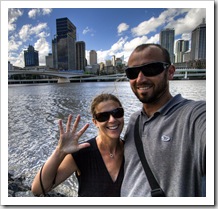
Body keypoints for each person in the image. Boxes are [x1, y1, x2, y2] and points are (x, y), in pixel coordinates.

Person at [121, 43, 206, 197]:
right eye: (132, 72)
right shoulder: (134, 120)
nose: (140, 79)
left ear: (170, 72)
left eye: (151, 69)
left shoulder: (193, 115)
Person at [31, 93, 124, 197]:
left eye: (117, 113)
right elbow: (38, 189)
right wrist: (59, 152)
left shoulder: (132, 151)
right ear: (95, 122)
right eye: (103, 116)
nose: (112, 120)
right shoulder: (82, 153)